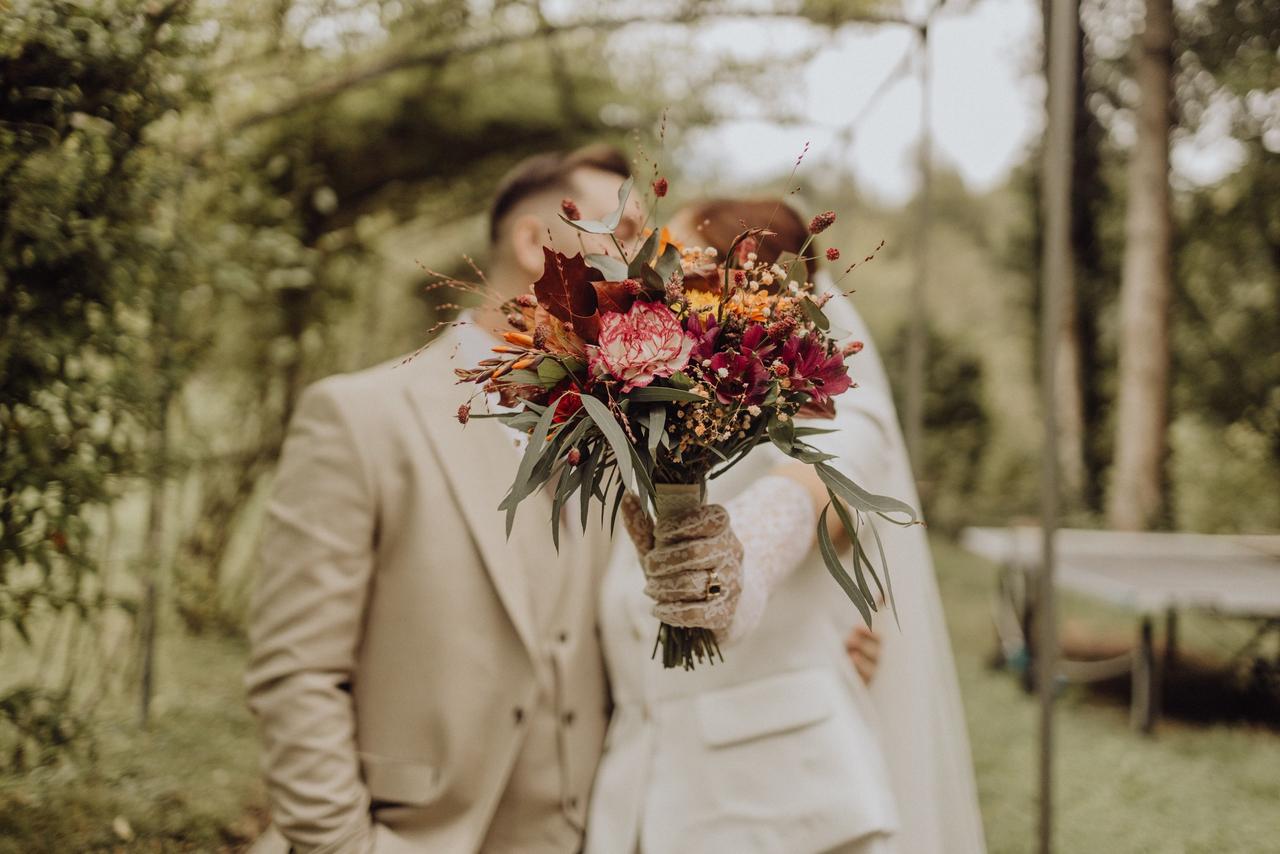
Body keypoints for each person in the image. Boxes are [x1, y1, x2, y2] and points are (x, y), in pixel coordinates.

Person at [245, 144, 694, 854]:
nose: (653, 263)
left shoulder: (636, 438)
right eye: (628, 234)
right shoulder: (361, 417)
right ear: (533, 243)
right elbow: (297, 673)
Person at [584, 198, 987, 854]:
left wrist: (727, 566)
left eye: (678, 266)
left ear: (747, 287)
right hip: (637, 805)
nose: (658, 288)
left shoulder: (844, 420)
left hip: (783, 816)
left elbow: (812, 493)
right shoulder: (663, 425)